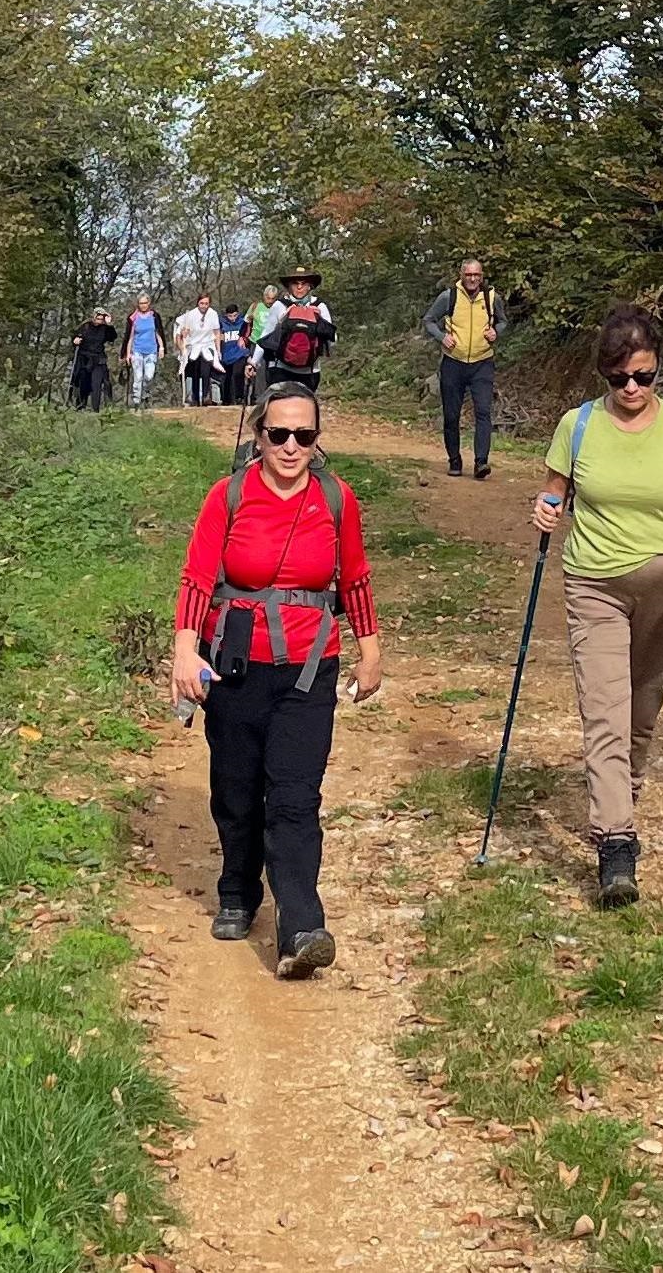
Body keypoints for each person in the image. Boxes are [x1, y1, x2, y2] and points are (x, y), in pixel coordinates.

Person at [171, 383, 383, 978]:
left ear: (317, 440)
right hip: (236, 663)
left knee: (294, 797)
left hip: (310, 667)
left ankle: (301, 927)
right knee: (236, 789)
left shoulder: (336, 499)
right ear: (259, 436)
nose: (291, 447)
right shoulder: (228, 496)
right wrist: (184, 651)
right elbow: (196, 578)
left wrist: (370, 650)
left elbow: (355, 577)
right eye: (279, 434)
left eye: (304, 436)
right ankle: (238, 890)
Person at [532, 306, 663, 908]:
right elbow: (555, 492)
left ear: (658, 367)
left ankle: (624, 789)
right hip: (593, 583)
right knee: (604, 708)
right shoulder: (578, 425)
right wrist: (546, 510)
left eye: (643, 375)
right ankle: (616, 841)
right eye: (619, 378)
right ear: (604, 374)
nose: (632, 388)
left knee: (642, 700)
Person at [422, 258, 508, 479]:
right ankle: (455, 460)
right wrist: (442, 337)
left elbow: (502, 321)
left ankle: (481, 462)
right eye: (468, 274)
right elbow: (429, 320)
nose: (472, 279)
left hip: (482, 362)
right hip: (453, 362)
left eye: (476, 275)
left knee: (483, 412)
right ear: (461, 275)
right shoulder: (448, 297)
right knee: (451, 415)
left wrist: (496, 332)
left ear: (482, 276)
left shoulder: (491, 298)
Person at [247, 267, 334, 394]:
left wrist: (320, 322)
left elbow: (332, 340)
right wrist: (253, 362)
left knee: (303, 406)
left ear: (310, 286)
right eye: (295, 283)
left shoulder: (320, 307)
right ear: (289, 286)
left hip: (310, 371)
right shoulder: (279, 306)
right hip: (280, 370)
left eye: (303, 283)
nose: (299, 287)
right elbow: (266, 337)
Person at [120, 292, 167, 410]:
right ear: (138, 304)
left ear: (149, 303)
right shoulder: (133, 317)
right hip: (137, 351)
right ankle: (136, 401)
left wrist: (161, 347)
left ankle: (146, 395)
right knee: (138, 377)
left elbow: (158, 332)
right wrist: (128, 353)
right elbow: (129, 337)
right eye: (141, 303)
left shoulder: (154, 316)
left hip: (151, 351)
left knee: (149, 376)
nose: (143, 305)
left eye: (145, 303)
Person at [176, 292, 222, 407]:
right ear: (198, 303)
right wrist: (184, 335)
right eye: (202, 303)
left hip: (207, 345)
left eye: (206, 303)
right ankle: (195, 397)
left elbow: (217, 332)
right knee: (195, 372)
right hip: (194, 346)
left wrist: (218, 349)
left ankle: (206, 396)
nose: (204, 306)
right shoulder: (190, 315)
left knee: (206, 371)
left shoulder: (213, 314)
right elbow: (181, 333)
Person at [70, 308, 117, 411]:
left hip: (98, 359)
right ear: (94, 317)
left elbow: (112, 337)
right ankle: (81, 406)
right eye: (98, 318)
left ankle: (95, 409)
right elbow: (75, 336)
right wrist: (75, 340)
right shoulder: (85, 326)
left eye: (101, 318)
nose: (99, 320)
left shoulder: (105, 328)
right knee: (83, 383)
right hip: (84, 358)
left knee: (96, 384)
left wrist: (110, 324)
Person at [218, 303, 250, 407]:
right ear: (226, 315)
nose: (233, 318)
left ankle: (239, 397)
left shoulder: (242, 322)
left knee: (237, 374)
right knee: (226, 378)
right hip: (226, 355)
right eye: (230, 316)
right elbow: (217, 336)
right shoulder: (221, 323)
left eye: (235, 315)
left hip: (240, 354)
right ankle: (226, 399)